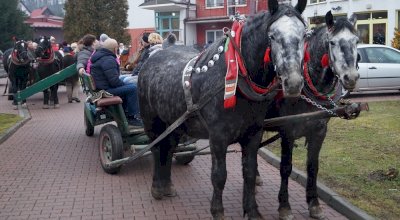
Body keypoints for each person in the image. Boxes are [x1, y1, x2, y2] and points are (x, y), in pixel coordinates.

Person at [90, 38, 142, 127]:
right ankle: (132, 117)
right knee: (133, 88)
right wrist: (125, 85)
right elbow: (114, 82)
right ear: (115, 49)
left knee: (128, 85)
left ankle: (126, 112)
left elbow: (113, 80)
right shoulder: (108, 60)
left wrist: (124, 84)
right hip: (105, 91)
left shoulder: (100, 56)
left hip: (100, 89)